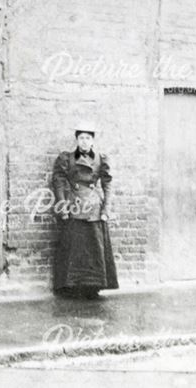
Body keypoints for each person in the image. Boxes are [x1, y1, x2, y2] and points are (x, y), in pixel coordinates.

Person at [51, 123, 118, 299]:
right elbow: (58, 181)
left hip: (94, 208)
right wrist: (62, 207)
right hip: (74, 207)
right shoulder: (67, 158)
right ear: (77, 140)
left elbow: (107, 184)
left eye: (88, 138)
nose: (84, 141)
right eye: (81, 138)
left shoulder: (100, 159)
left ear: (93, 140)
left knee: (94, 248)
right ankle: (71, 287)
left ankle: (93, 287)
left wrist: (106, 209)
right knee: (74, 248)